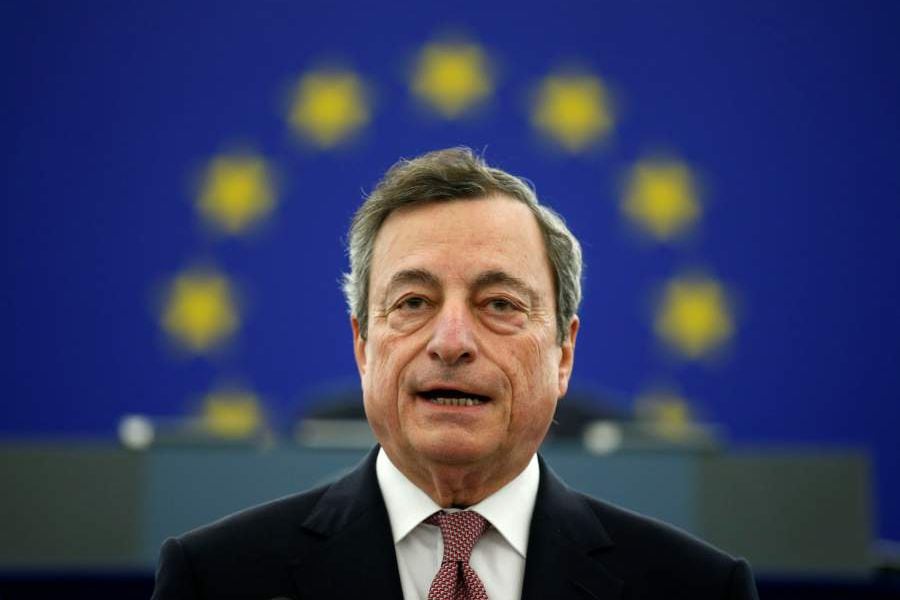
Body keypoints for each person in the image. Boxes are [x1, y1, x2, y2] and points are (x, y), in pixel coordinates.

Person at [152, 148, 759, 600]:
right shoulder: (214, 580)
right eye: (413, 302)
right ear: (363, 345)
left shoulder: (700, 589)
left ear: (563, 354)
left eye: (499, 304)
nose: (451, 342)